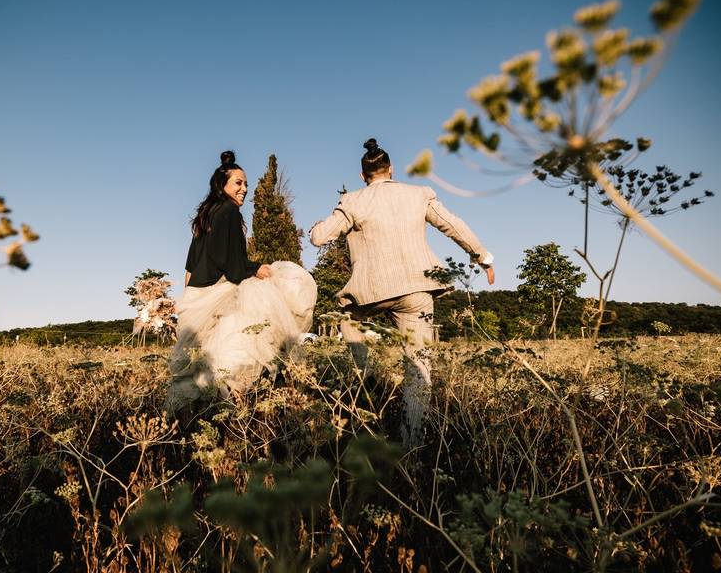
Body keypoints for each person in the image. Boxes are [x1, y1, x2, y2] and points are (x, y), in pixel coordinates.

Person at [309, 139, 494, 446]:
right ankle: (412, 446)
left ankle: (364, 378)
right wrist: (482, 257)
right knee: (419, 368)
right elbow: (453, 225)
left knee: (347, 317)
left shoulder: (353, 200)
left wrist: (317, 226)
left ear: (362, 175)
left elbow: (319, 237)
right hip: (415, 289)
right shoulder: (419, 194)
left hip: (369, 293)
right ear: (391, 169)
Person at [167, 151, 317, 411]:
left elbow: (189, 268)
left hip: (196, 297)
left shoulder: (204, 216)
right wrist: (257, 268)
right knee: (234, 358)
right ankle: (236, 419)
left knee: (196, 365)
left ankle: (188, 419)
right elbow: (236, 269)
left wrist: (189, 301)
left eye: (246, 184)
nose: (245, 189)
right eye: (239, 183)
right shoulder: (230, 213)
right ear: (222, 185)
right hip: (219, 293)